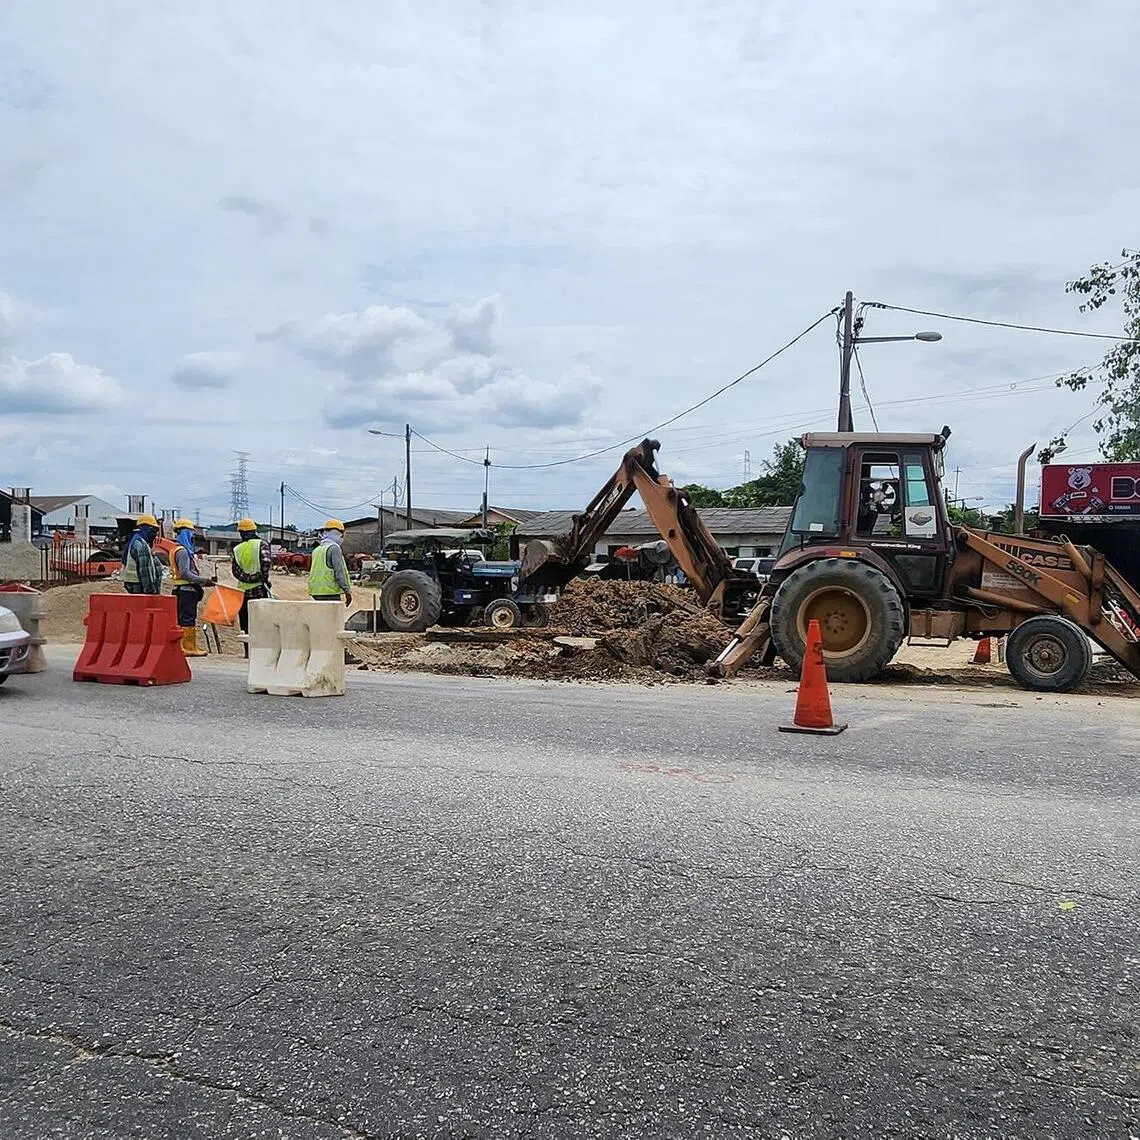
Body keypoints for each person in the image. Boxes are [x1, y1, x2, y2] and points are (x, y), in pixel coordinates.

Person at [169, 518, 216, 656]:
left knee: (181, 618)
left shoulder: (174, 549)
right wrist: (203, 581)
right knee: (188, 618)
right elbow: (185, 573)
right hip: (186, 590)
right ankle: (188, 647)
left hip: (180, 590)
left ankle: (183, 646)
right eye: (190, 533)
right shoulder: (183, 551)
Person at [230, 518, 272, 643]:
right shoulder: (261, 544)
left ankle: (248, 651)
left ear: (241, 533)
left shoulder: (237, 549)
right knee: (261, 622)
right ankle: (260, 650)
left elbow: (235, 571)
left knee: (245, 623)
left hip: (243, 592)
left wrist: (247, 578)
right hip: (259, 589)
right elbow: (266, 562)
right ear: (254, 530)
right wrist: (260, 577)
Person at [308, 519, 353, 608]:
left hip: (316, 591)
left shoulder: (317, 550)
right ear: (337, 534)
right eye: (342, 536)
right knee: (333, 619)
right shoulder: (334, 548)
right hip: (329, 592)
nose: (342, 538)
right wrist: (347, 591)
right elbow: (339, 572)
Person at [121, 514, 163, 595]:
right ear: (144, 528)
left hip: (133, 584)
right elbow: (145, 570)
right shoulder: (141, 544)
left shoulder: (135, 540)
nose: (154, 534)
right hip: (139, 586)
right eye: (153, 530)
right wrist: (150, 590)